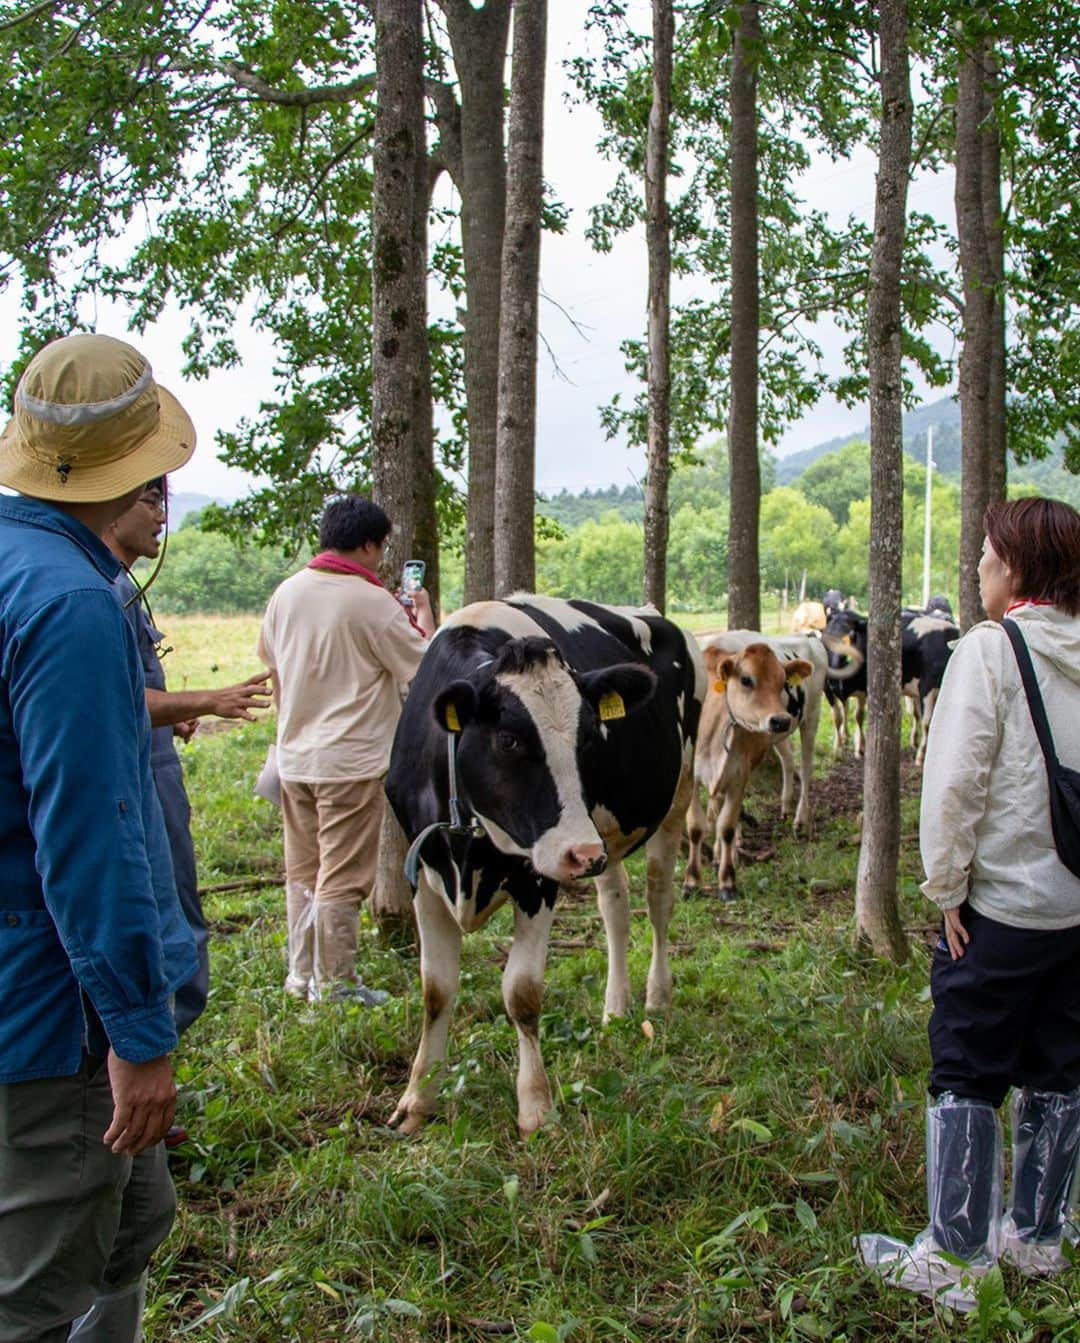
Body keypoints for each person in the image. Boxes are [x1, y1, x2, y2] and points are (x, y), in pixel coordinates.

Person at [0, 333, 199, 1342]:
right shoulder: (75, 603)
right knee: (37, 1291)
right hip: (55, 1006)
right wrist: (137, 1029)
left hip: (22, 981)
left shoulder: (14, 560)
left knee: (135, 1214)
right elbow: (89, 831)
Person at [860, 497, 1080, 1311]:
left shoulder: (991, 650)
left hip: (1003, 905)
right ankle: (1039, 1235)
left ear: (1017, 570)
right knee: (1059, 1061)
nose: (980, 571)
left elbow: (953, 782)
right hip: (1074, 909)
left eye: (989, 558)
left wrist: (945, 886)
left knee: (968, 1064)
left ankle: (956, 1257)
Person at [103, 476, 272, 1049]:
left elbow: (132, 689)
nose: (161, 517)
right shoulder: (93, 592)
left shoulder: (123, 586)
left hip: (153, 768)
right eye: (150, 500)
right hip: (133, 782)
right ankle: (143, 1064)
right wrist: (207, 700)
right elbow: (107, 699)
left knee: (179, 912)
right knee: (165, 918)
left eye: (165, 502)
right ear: (108, 500)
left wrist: (170, 713)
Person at [257, 496, 434, 1003]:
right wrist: (421, 614)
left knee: (304, 870)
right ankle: (335, 985)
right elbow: (421, 668)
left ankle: (300, 976)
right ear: (366, 544)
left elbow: (273, 669)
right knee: (341, 876)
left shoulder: (286, 593)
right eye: (379, 547)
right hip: (349, 762)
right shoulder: (370, 601)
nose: (381, 559)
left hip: (294, 758)